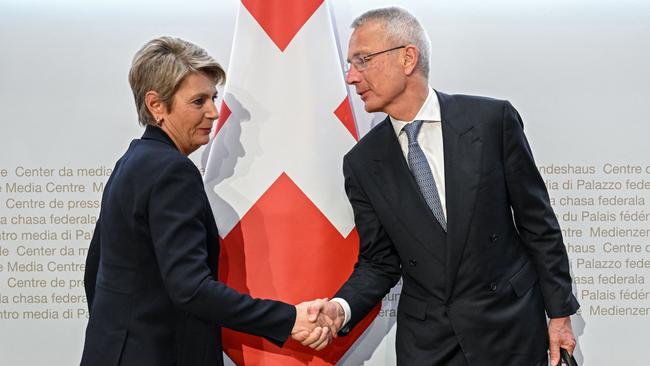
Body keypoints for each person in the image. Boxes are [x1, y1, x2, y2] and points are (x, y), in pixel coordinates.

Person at [312, 7, 579, 366]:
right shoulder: (361, 163)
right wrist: (340, 309)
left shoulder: (491, 122)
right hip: (429, 344)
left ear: (408, 58)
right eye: (350, 63)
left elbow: (537, 224)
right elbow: (379, 262)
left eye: (362, 60)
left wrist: (559, 314)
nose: (351, 77)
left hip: (509, 327)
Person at [80, 36, 330, 366]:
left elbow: (94, 271)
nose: (213, 112)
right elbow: (192, 289)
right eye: (199, 101)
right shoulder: (173, 171)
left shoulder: (131, 161)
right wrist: (289, 319)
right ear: (157, 105)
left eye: (213, 98)